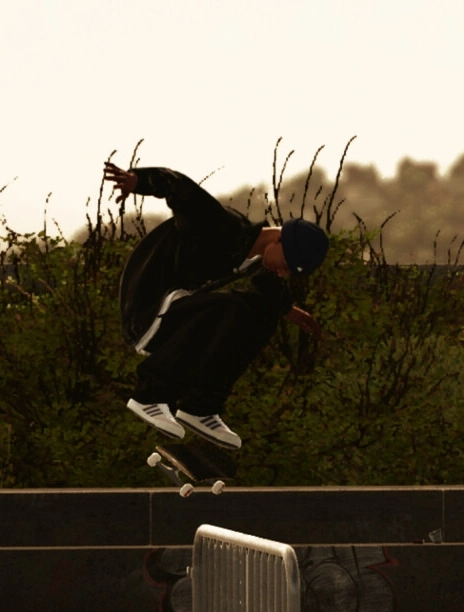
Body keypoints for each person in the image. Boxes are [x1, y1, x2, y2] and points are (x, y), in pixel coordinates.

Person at [106, 161, 327, 450]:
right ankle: (149, 395)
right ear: (278, 239)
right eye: (285, 265)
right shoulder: (219, 225)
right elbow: (180, 188)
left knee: (262, 312)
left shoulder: (251, 256)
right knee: (228, 308)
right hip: (145, 312)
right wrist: (139, 181)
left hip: (174, 314)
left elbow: (269, 286)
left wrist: (287, 310)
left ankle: (200, 407)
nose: (282, 273)